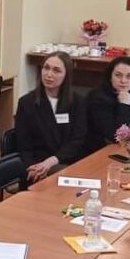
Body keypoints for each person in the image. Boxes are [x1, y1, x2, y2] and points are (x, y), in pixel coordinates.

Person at [14, 51, 86, 184]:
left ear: (67, 75)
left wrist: (51, 161)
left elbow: (77, 140)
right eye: (46, 68)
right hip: (37, 166)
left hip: (67, 162)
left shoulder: (78, 102)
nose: (49, 74)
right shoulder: (27, 103)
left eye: (56, 70)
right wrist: (33, 168)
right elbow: (24, 145)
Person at [84, 56, 130, 154]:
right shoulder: (98, 97)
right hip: (103, 151)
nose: (123, 81)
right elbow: (116, 136)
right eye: (118, 75)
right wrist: (125, 104)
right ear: (110, 76)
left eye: (129, 76)